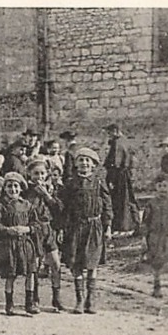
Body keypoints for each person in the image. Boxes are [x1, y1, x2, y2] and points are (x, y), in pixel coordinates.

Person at [61, 147, 113, 314]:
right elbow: (65, 208)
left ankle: (91, 299)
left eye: (87, 160)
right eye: (81, 160)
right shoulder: (70, 183)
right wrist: (63, 227)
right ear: (76, 163)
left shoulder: (98, 182)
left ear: (93, 164)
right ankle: (79, 299)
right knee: (76, 262)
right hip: (75, 227)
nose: (84, 163)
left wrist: (108, 226)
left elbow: (107, 205)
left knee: (92, 262)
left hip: (94, 226)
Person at [0, 171, 38, 315]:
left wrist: (27, 228)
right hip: (8, 245)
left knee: (30, 273)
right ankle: (9, 304)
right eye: (9, 186)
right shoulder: (0, 206)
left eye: (16, 186)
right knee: (10, 274)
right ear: (5, 189)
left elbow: (36, 224)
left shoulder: (27, 205)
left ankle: (29, 303)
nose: (13, 190)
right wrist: (9, 230)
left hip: (25, 244)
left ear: (21, 188)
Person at [25, 156, 65, 312]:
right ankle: (33, 298)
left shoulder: (53, 188)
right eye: (36, 174)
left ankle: (56, 297)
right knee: (33, 265)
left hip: (48, 230)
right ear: (30, 174)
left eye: (42, 173)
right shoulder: (26, 190)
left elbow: (59, 209)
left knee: (55, 263)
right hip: (34, 230)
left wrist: (47, 196)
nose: (39, 177)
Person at [143, 176, 168, 299]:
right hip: (155, 237)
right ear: (155, 188)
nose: (162, 189)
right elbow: (146, 222)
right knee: (157, 262)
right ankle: (156, 287)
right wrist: (145, 238)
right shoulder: (151, 203)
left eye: (165, 186)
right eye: (160, 186)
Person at [104, 123, 138, 234]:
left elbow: (115, 163)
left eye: (109, 133)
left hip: (118, 175)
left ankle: (122, 226)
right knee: (128, 199)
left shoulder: (117, 143)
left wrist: (111, 180)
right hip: (125, 174)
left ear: (115, 131)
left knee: (120, 201)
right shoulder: (126, 141)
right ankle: (132, 224)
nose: (109, 135)